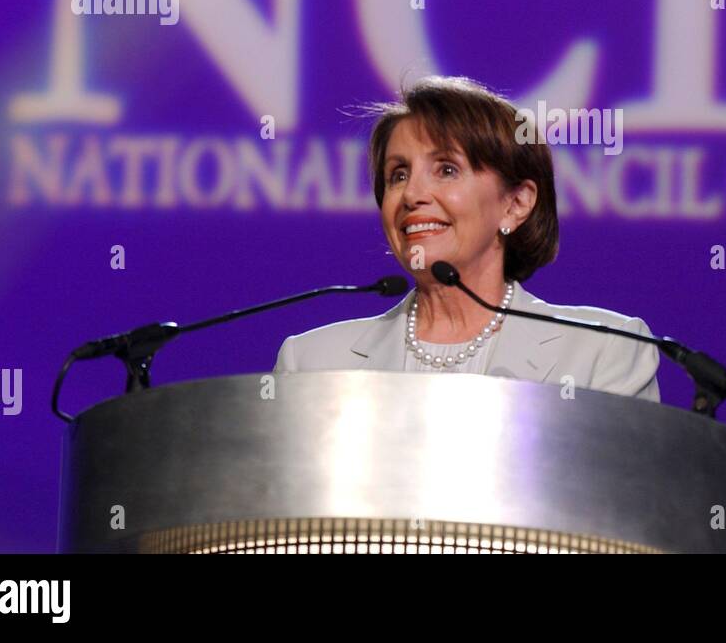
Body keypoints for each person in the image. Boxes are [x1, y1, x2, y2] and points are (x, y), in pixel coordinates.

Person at [273, 76, 660, 402]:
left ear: (515, 204)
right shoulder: (311, 364)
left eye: (446, 169)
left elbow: (621, 492)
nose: (411, 196)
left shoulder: (603, 352)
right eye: (399, 174)